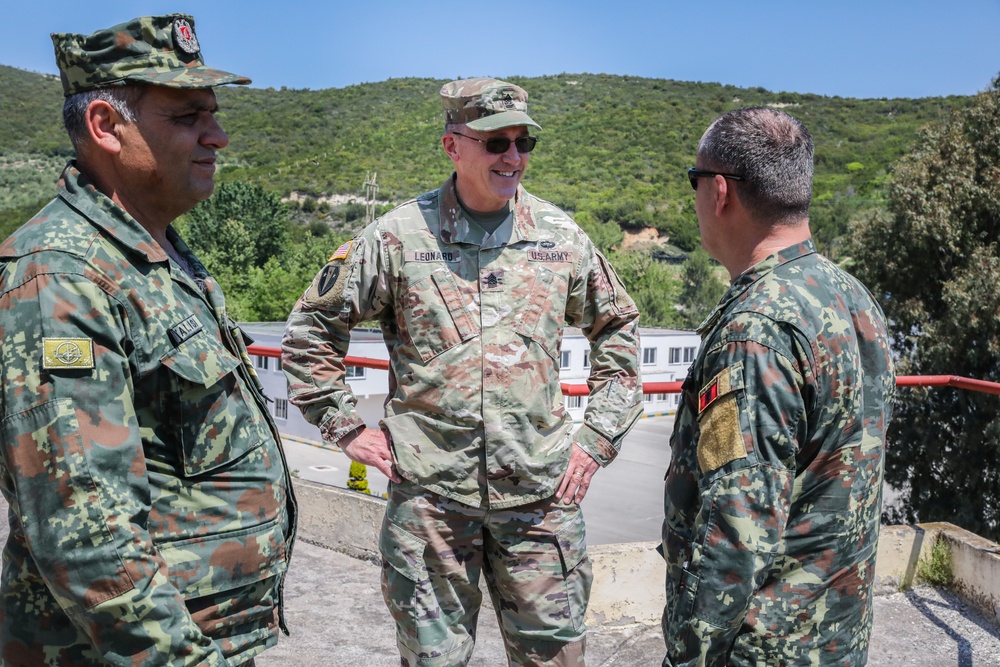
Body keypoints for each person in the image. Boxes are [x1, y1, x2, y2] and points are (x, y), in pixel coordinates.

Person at [282, 77, 642, 666]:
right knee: (432, 660)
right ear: (453, 146)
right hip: (431, 502)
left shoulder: (560, 239)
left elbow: (619, 331)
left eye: (524, 143)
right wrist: (345, 428)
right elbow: (311, 330)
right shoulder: (398, 238)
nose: (513, 157)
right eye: (496, 142)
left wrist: (597, 438)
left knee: (553, 658)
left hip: (539, 498)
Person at [0, 15, 296, 666]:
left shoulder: (150, 249)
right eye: (190, 115)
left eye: (213, 114)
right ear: (107, 126)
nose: (217, 136)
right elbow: (86, 535)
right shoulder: (61, 277)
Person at [661, 107, 895, 666]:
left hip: (764, 649)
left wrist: (687, 656)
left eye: (694, 182)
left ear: (719, 191)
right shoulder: (851, 296)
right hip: (836, 638)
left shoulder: (754, 333)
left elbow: (736, 530)